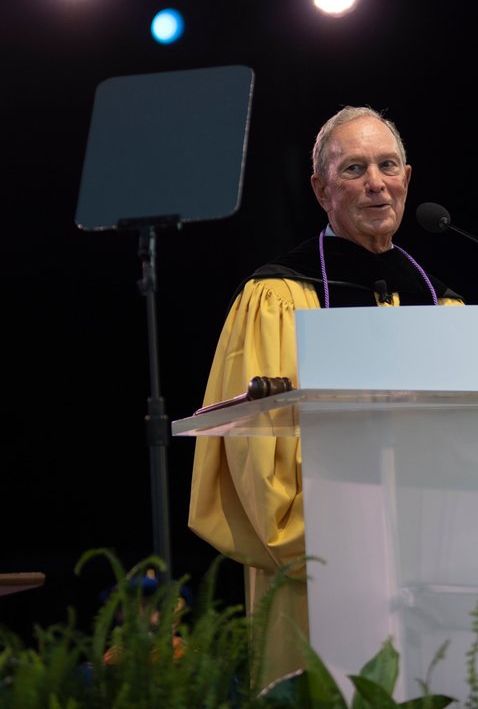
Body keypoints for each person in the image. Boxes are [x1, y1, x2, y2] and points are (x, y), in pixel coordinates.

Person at [187, 105, 463, 687]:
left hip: (437, 570)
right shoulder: (277, 297)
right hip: (316, 568)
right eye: (353, 169)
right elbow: (255, 453)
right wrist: (342, 536)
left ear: (407, 180)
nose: (375, 184)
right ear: (320, 189)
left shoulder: (444, 306)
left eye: (387, 166)